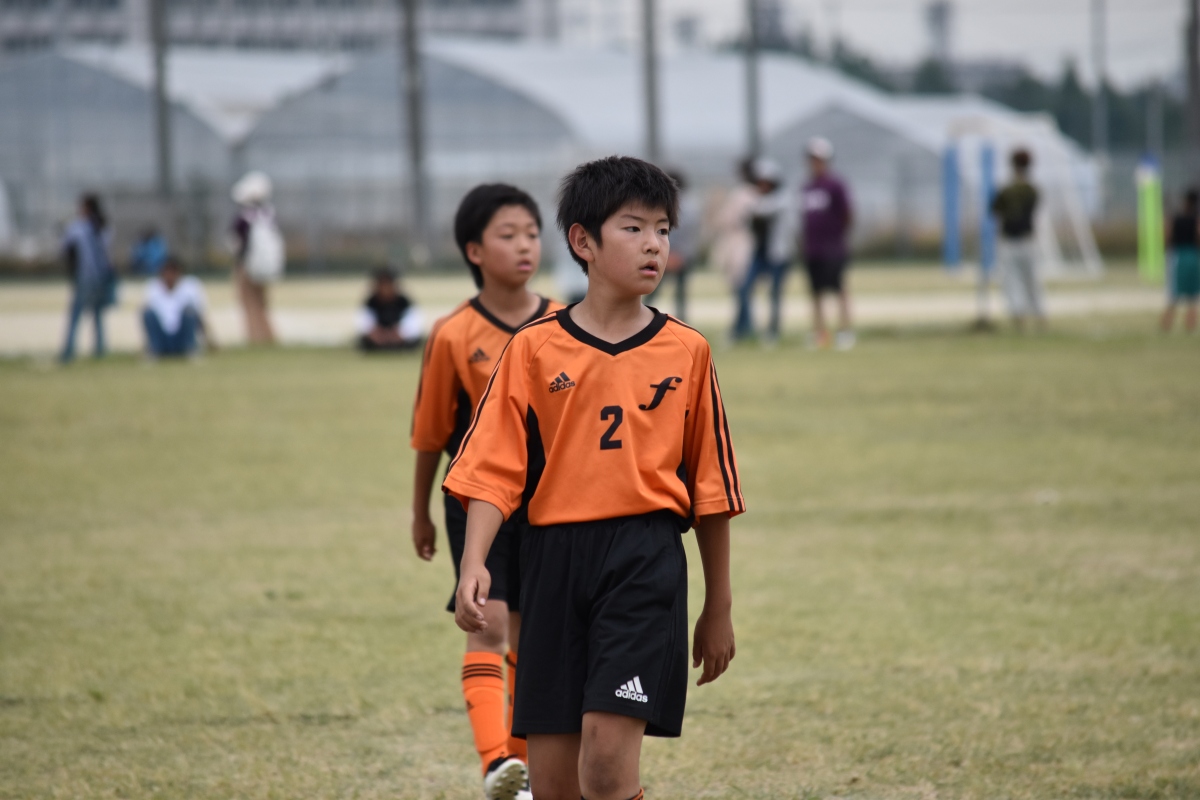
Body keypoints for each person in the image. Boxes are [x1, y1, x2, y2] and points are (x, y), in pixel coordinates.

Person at [446, 156, 744, 800]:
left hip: (643, 559)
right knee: (555, 783)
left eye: (662, 229)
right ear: (583, 241)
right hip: (551, 563)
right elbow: (493, 468)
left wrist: (717, 604)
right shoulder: (533, 348)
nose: (653, 244)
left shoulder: (687, 351)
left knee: (606, 765)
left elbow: (711, 491)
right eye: (633, 228)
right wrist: (474, 562)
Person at [409, 184, 562, 800]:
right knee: (489, 622)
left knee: (532, 634)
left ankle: (521, 772)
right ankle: (496, 762)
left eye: (532, 233)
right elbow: (430, 434)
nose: (525, 245)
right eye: (508, 235)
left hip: (547, 503)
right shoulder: (453, 333)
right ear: (474, 250)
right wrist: (419, 512)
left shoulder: (564, 323)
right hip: (476, 503)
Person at [800, 137, 855, 350]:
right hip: (812, 248)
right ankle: (820, 333)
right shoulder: (806, 187)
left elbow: (847, 214)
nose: (815, 163)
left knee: (839, 289)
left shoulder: (835, 185)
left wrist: (837, 236)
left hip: (833, 248)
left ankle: (845, 331)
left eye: (819, 159)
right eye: (812, 159)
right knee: (816, 293)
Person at [732, 158, 794, 346]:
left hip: (778, 255)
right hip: (759, 253)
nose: (763, 186)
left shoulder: (782, 199)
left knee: (774, 294)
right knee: (744, 288)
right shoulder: (758, 198)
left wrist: (748, 204)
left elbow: (761, 210)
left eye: (766, 182)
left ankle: (773, 331)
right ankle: (744, 329)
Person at [990, 148, 1046, 331]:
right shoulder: (1032, 189)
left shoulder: (1006, 189)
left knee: (1011, 281)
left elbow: (994, 209)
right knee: (1032, 280)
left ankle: (1018, 316)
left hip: (1009, 240)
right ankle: (1040, 315)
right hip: (1028, 239)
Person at [59, 193, 116, 363]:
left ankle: (68, 352)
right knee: (97, 315)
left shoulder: (78, 227)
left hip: (85, 275)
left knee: (76, 314)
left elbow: (64, 247)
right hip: (102, 276)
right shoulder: (103, 226)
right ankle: (99, 350)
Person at [230, 170, 283, 345]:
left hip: (247, 265)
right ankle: (268, 335)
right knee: (262, 303)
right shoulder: (269, 214)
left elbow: (236, 243)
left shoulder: (244, 217)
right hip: (265, 266)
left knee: (249, 302)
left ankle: (255, 336)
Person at [712, 158, 758, 338]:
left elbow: (728, 219)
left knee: (741, 288)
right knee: (741, 289)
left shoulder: (743, 193)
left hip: (740, 245)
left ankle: (743, 328)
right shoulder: (753, 193)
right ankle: (741, 327)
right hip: (743, 243)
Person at [647, 170, 702, 322]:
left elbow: (674, 232)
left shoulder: (672, 205)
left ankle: (640, 315)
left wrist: (674, 253)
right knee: (680, 293)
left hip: (671, 252)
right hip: (685, 254)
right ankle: (682, 321)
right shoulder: (693, 205)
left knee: (653, 288)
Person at [142, 255, 216, 358]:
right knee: (148, 312)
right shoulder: (153, 287)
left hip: (182, 337)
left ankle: (190, 349)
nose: (169, 276)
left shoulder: (191, 286)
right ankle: (154, 350)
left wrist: (209, 339)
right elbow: (149, 320)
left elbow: (200, 315)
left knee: (189, 311)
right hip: (162, 337)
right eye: (166, 272)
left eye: (172, 272)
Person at [356, 267, 423, 351]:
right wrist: (377, 334)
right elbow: (364, 325)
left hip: (400, 338)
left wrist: (399, 333)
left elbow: (413, 326)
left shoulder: (404, 302)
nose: (385, 288)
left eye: (388, 284)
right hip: (377, 339)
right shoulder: (371, 303)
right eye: (382, 284)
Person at [1161, 189, 1200, 333]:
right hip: (1193, 255)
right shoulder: (1196, 219)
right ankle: (1190, 326)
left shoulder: (1177, 218)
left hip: (1179, 255)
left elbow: (1168, 236)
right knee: (1192, 295)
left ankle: (1166, 324)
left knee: (1174, 294)